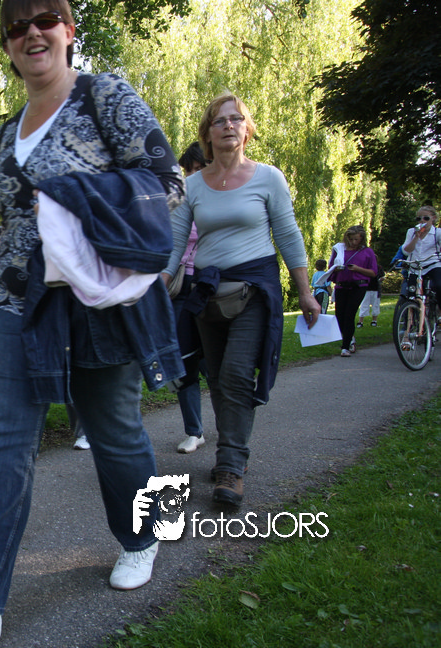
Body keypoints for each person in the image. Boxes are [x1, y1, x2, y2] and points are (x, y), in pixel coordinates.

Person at [0, 1, 185, 645]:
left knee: (114, 431)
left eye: (45, 18)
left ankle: (143, 536)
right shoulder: (9, 130)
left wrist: (73, 195)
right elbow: (20, 219)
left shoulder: (104, 96)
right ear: (7, 44)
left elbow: (166, 182)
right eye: (16, 25)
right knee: (1, 442)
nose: (31, 32)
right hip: (19, 302)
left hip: (97, 298)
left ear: (68, 30)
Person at [163, 92, 320, 509]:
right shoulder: (192, 185)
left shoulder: (269, 178)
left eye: (236, 119)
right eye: (220, 120)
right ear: (208, 133)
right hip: (207, 294)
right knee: (216, 377)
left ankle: (231, 465)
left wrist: (305, 292)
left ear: (247, 129)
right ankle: (231, 451)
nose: (229, 125)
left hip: (255, 291)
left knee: (235, 373)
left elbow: (287, 235)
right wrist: (159, 283)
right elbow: (175, 243)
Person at [170, 142, 208, 455]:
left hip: (210, 285)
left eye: (200, 168)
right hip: (180, 286)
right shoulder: (178, 199)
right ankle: (194, 431)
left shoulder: (223, 199)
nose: (193, 175)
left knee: (214, 361)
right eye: (189, 170)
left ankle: (232, 428)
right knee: (184, 359)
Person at [329, 226, 377, 357]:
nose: (353, 242)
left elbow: (373, 272)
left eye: (356, 239)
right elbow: (331, 267)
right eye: (351, 239)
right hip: (341, 286)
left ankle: (345, 347)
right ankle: (350, 338)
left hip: (358, 286)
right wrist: (337, 269)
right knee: (339, 316)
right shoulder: (339, 249)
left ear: (362, 239)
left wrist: (357, 269)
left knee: (349, 314)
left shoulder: (367, 252)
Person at [401, 205, 441, 300]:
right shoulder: (411, 232)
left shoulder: (437, 232)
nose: (422, 221)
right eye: (419, 219)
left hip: (432, 264)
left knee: (438, 286)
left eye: (426, 218)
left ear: (433, 218)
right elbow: (406, 252)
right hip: (415, 267)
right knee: (411, 292)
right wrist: (416, 237)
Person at [356, 260, 382, 327]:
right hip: (366, 289)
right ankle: (360, 321)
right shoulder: (365, 268)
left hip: (376, 289)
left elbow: (382, 276)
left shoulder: (378, 267)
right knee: (364, 305)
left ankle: (374, 321)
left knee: (375, 305)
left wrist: (380, 279)